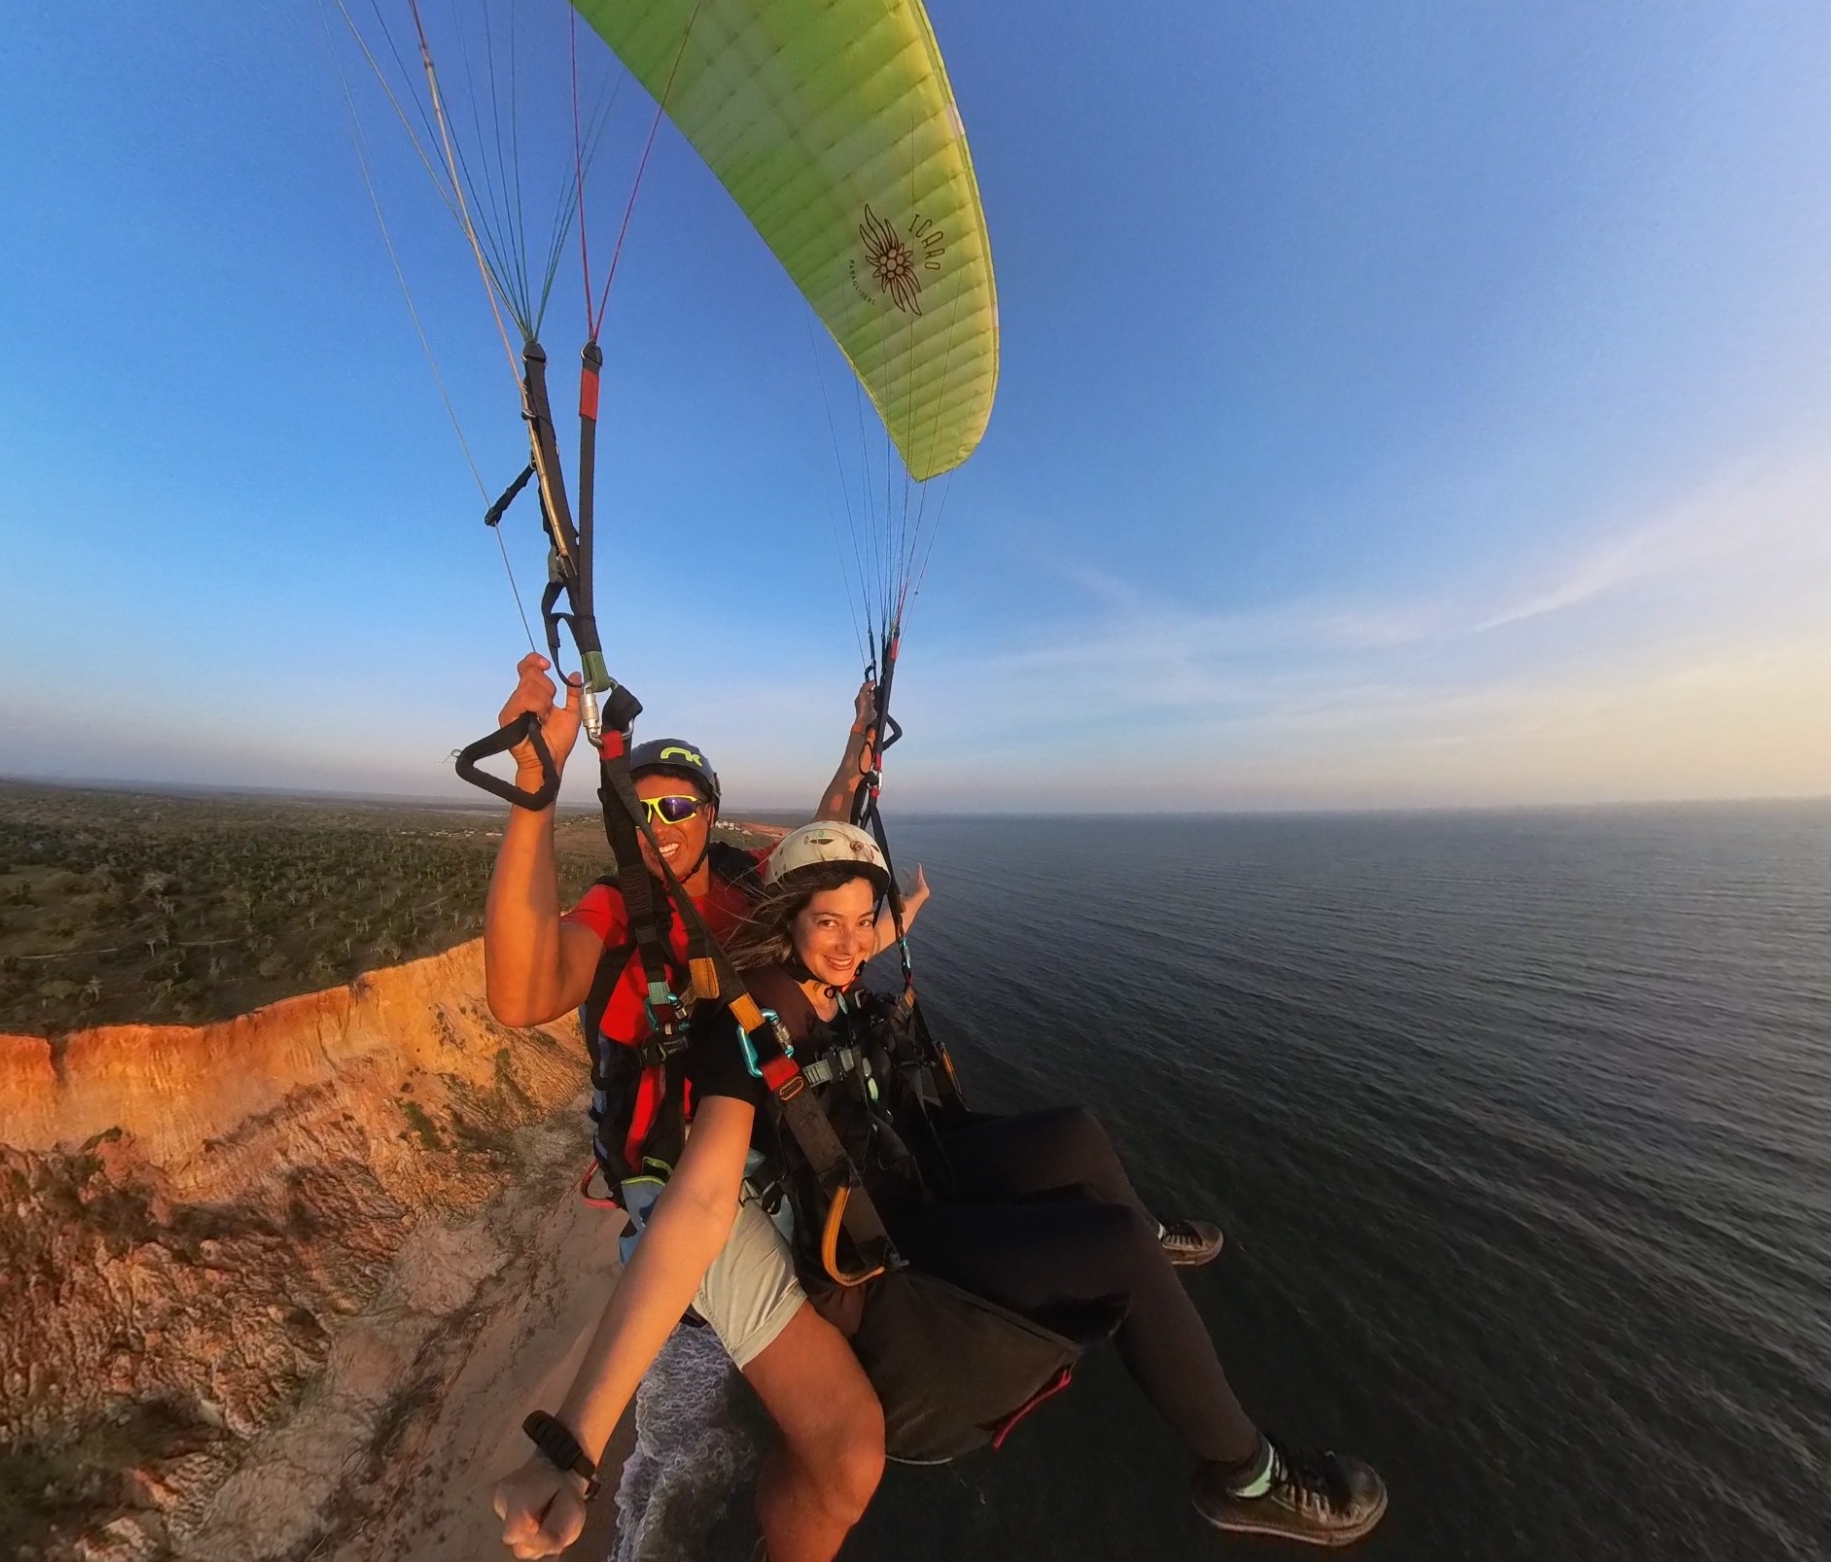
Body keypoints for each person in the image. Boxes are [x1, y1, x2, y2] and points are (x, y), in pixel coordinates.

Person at [493, 821, 1389, 1559]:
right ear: (787, 926)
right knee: (1110, 1242)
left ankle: (1145, 1252)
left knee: (1075, 1131)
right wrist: (574, 1446)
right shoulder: (755, 1022)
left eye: (863, 923)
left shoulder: (832, 974)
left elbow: (853, 934)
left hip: (901, 1177)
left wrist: (884, 905)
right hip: (882, 1249)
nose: (851, 943)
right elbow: (694, 1209)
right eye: (827, 924)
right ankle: (1246, 1475)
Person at [481, 656, 920, 1562]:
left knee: (851, 1298)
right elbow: (522, 991)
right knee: (792, 1422)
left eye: (680, 806)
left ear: (709, 815)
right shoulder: (615, 907)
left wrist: (858, 739)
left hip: (762, 1145)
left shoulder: (745, 881)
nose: (661, 823)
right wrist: (534, 788)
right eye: (642, 807)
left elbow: (829, 833)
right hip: (678, 1173)